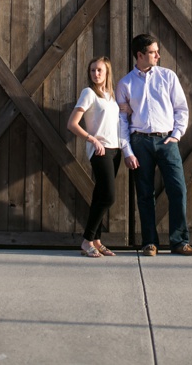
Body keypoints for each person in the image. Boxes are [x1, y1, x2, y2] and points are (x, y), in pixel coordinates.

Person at [117, 33, 192, 256]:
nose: (158, 55)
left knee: (178, 190)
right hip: (139, 142)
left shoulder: (168, 77)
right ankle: (149, 243)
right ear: (140, 55)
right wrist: (127, 149)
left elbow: (181, 108)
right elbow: (121, 120)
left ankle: (179, 242)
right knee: (144, 194)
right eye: (153, 52)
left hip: (166, 140)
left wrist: (177, 135)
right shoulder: (125, 83)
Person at [66, 57, 122, 258]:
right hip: (100, 151)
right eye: (92, 71)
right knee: (108, 196)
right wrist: (92, 139)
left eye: (99, 70)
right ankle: (87, 240)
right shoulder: (88, 93)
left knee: (100, 196)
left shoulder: (111, 96)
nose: (95, 74)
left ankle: (97, 241)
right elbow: (72, 124)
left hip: (116, 150)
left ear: (107, 72)